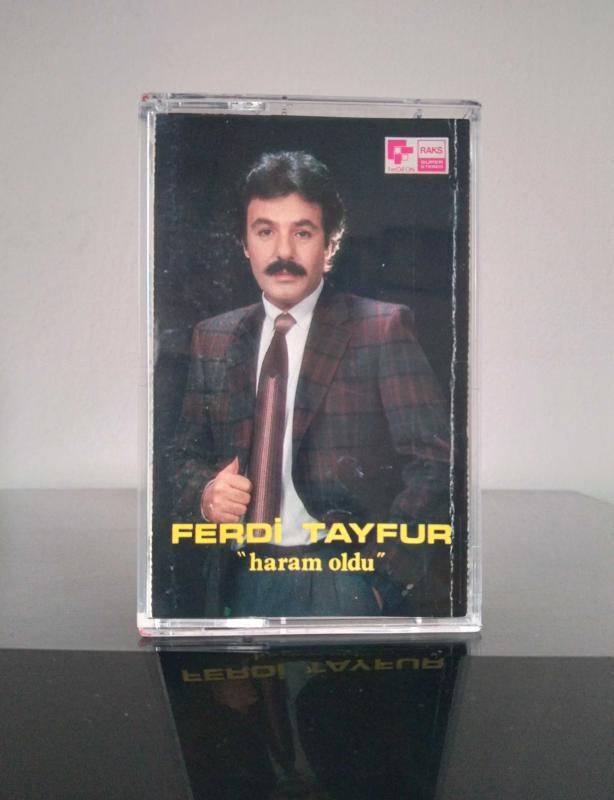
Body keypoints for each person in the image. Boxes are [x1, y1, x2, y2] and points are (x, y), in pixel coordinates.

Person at [172, 151, 450, 618]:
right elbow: (180, 457)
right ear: (245, 243)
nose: (283, 253)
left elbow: (435, 462)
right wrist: (204, 494)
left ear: (330, 243)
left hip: (339, 575)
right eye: (265, 232)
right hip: (235, 575)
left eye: (302, 232)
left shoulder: (381, 328)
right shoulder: (212, 336)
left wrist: (382, 580)